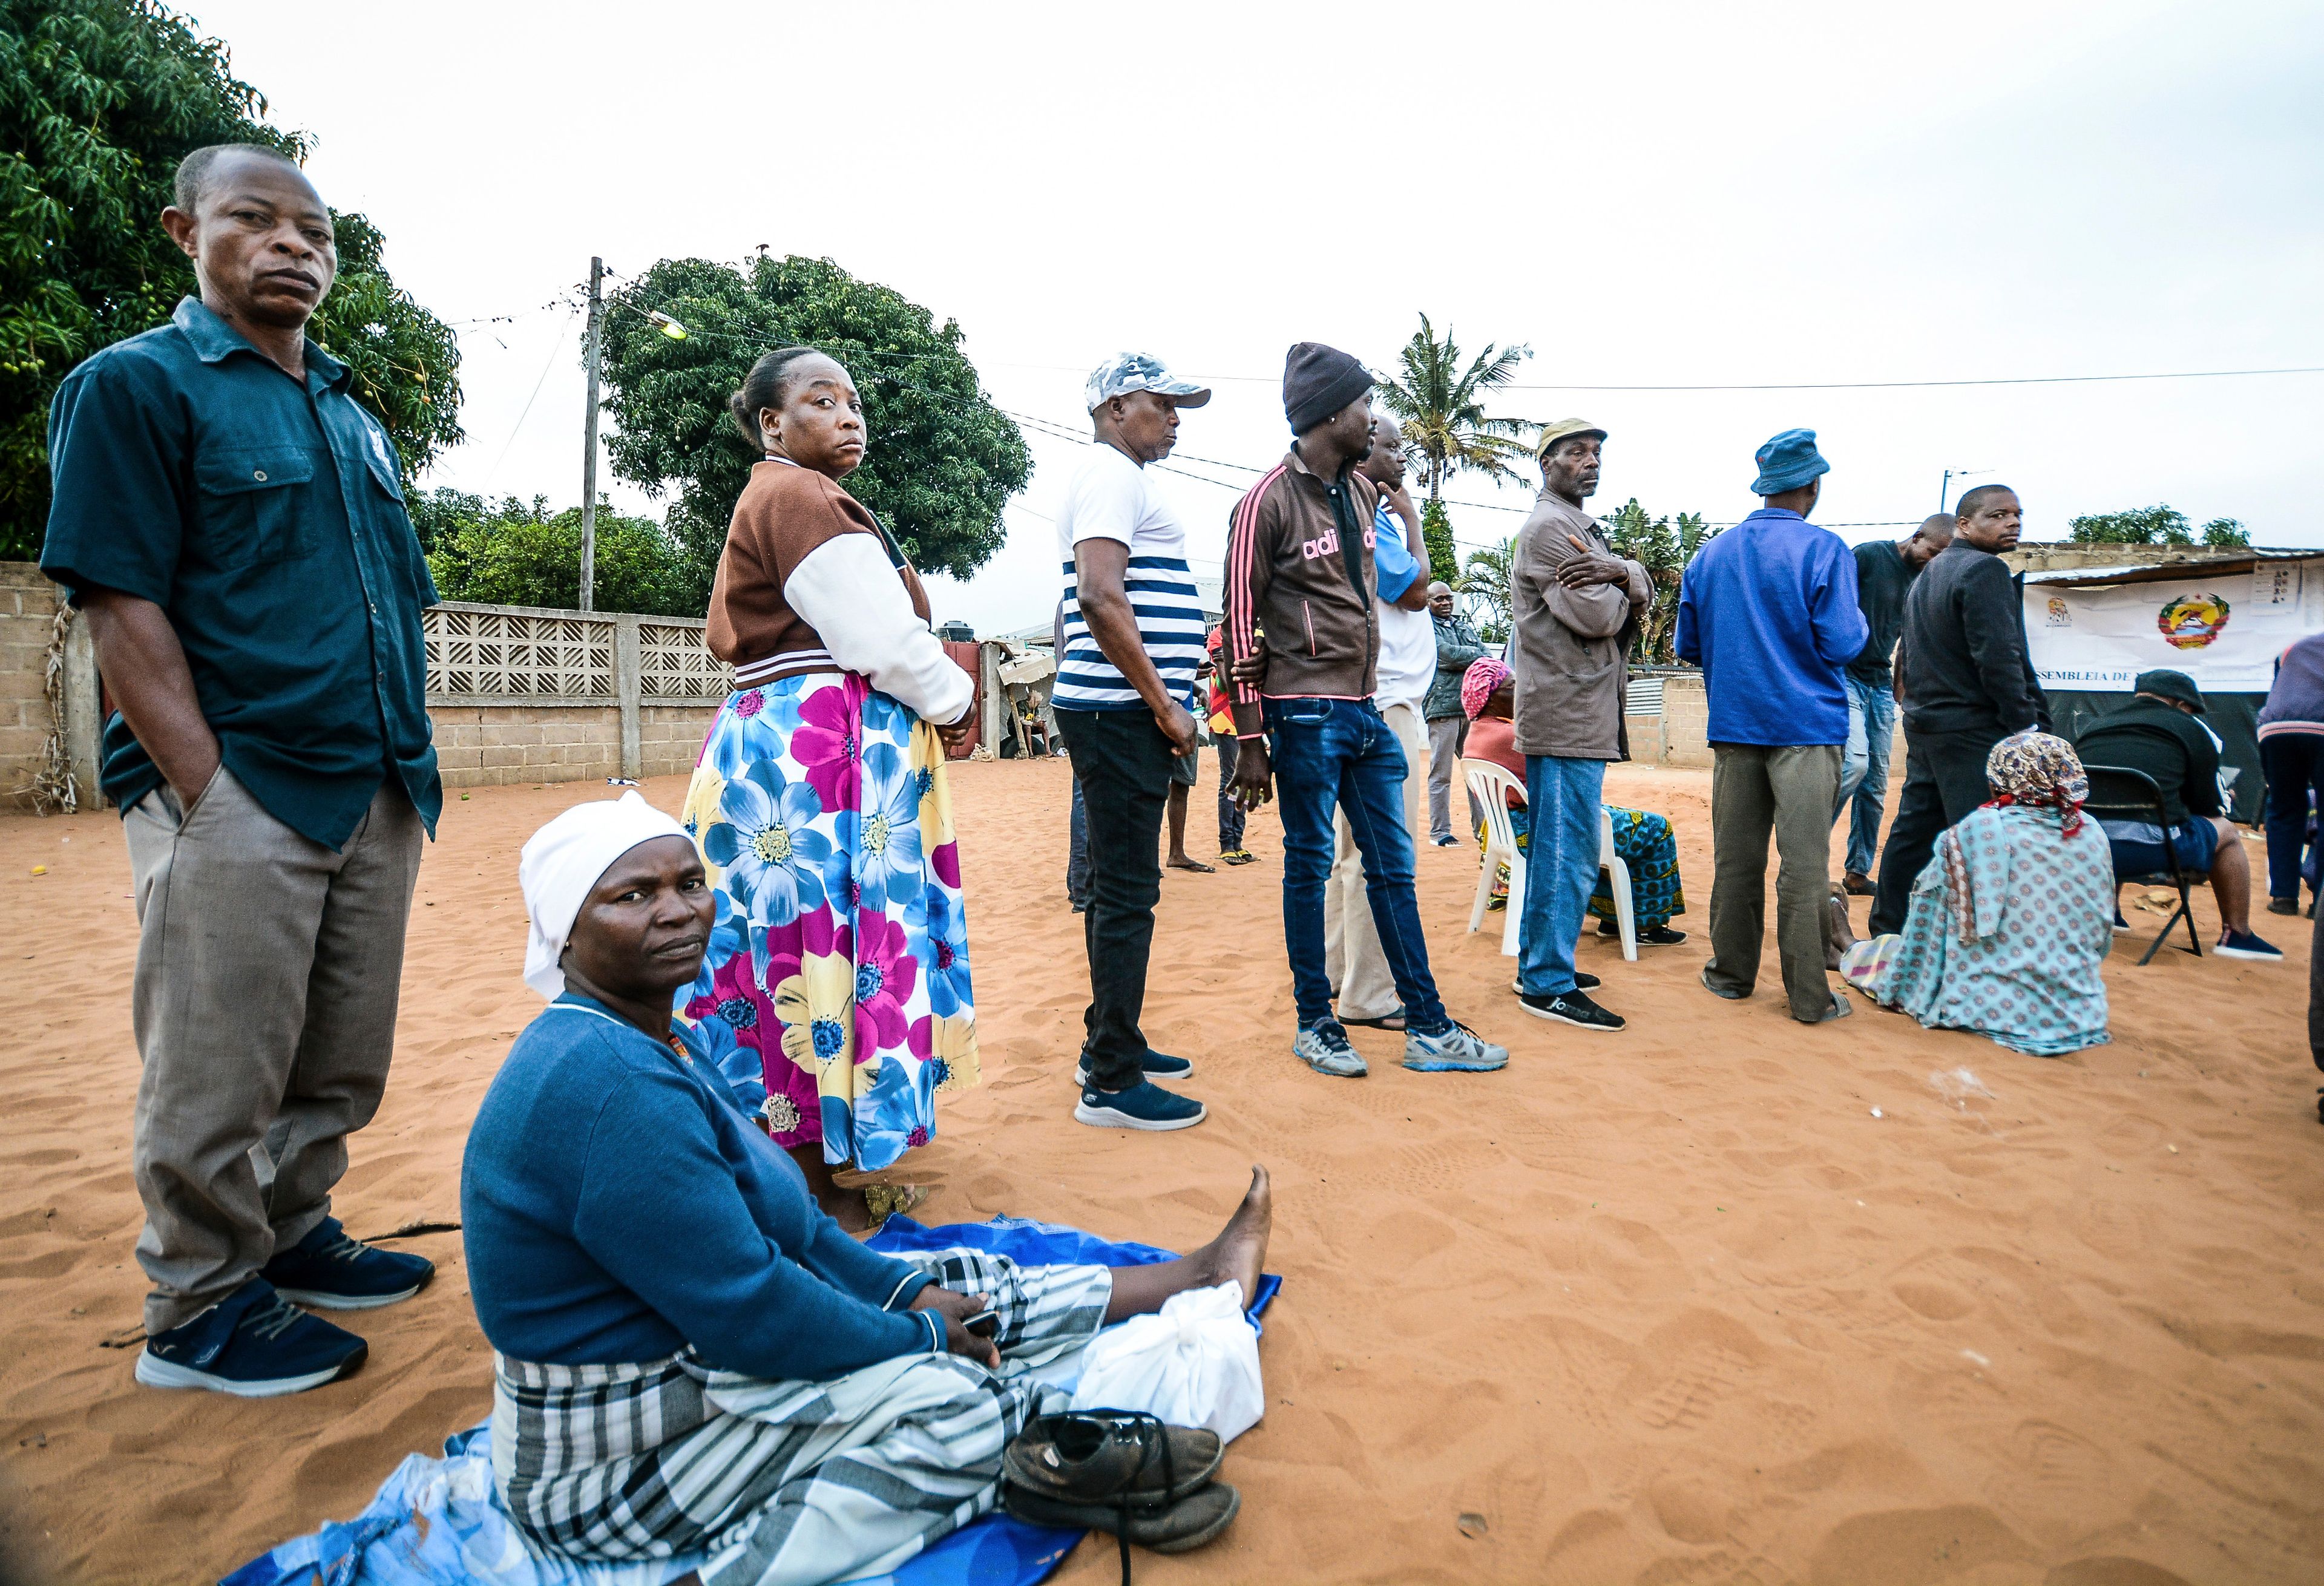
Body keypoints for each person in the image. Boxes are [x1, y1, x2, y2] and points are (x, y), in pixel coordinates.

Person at [465, 795, 1270, 1586]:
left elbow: (803, 1234)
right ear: (566, 933)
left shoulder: (649, 1037)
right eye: (634, 896)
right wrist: (916, 1342)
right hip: (610, 1459)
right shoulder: (607, 1086)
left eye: (690, 884)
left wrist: (910, 1294)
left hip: (694, 1361)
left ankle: (1191, 1282)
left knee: (951, 1285)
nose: (678, 912)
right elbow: (754, 1310)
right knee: (951, 1398)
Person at [44, 144, 438, 1396]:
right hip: (242, 786)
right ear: (183, 231)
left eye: (314, 230)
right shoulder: (134, 386)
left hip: (374, 780)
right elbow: (120, 599)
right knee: (217, 1060)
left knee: (337, 1051)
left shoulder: (348, 410)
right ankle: (199, 1301)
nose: (292, 246)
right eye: (254, 220)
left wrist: (403, 771)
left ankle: (292, 1230)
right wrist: (207, 789)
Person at [681, 346, 983, 1231]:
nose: (850, 416)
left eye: (854, 400)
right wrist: (958, 699)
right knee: (814, 942)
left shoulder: (787, 497)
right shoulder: (796, 497)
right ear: (773, 423)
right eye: (823, 400)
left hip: (786, 757)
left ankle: (803, 1162)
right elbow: (883, 642)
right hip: (811, 770)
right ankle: (804, 1182)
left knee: (789, 944)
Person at [1223, 343, 1507, 1080]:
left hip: (1366, 710)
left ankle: (1428, 1025)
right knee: (1310, 865)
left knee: (1393, 869)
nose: (1374, 418)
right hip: (1302, 712)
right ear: (1328, 414)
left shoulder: (1358, 494)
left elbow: (1379, 595)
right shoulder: (1263, 504)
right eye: (1364, 406)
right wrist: (1251, 738)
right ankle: (1315, 1021)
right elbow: (1239, 625)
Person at [1052, 353, 1212, 1130]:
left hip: (1117, 710)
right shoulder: (1113, 474)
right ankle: (1112, 1082)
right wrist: (1165, 704)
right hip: (1121, 712)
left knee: (1121, 886)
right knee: (1128, 893)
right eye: (1166, 403)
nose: (1177, 419)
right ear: (1118, 405)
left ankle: (1108, 1042)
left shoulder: (1116, 475)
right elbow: (1098, 593)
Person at [1676, 429, 1868, 1023]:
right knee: (1805, 864)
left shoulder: (1710, 555)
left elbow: (1689, 646)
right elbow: (1844, 640)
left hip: (1736, 726)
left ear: (1765, 487)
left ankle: (1730, 975)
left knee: (1737, 859)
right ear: (1813, 485)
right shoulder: (1825, 549)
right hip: (1808, 727)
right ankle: (1810, 997)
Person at [1505, 419, 1656, 1032]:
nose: (1589, 461)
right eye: (1575, 452)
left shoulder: (1577, 530)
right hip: (1567, 710)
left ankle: (1541, 963)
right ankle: (1546, 981)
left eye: (1595, 453)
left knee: (1557, 847)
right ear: (1546, 463)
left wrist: (1622, 569)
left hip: (1576, 707)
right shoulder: (1551, 531)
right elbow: (1598, 617)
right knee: (1568, 850)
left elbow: (1625, 589)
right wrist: (1627, 578)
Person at [1833, 732, 2112, 1055]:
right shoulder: (2091, 833)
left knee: (1890, 956)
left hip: (1980, 1007)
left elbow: (1928, 922)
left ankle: (1846, 945)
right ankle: (1845, 944)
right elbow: (2100, 932)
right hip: (2077, 1013)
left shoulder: (1980, 831)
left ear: (2000, 781)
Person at [1869, 485, 2048, 936]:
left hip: (1928, 724)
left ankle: (1889, 929)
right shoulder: (1985, 570)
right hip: (1971, 729)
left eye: (2016, 515)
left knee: (1915, 829)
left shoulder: (1930, 574)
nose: (2012, 523)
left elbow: (1908, 656)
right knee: (1979, 839)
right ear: (1964, 524)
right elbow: (2000, 657)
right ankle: (1980, 939)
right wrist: (2024, 725)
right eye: (1998, 515)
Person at [1322, 412, 1437, 1031]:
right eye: (1391, 446)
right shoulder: (1376, 517)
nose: (1402, 458)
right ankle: (1370, 993)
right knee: (1382, 856)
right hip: (1386, 703)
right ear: (1362, 453)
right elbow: (1412, 590)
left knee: (1348, 855)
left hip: (1357, 698)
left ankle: (1341, 978)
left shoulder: (1335, 507)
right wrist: (1413, 518)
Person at [1461, 658, 1689, 945]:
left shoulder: (1478, 732)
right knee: (1657, 829)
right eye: (1512, 686)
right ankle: (1644, 925)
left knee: (1618, 822)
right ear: (1491, 698)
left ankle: (1614, 919)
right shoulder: (1513, 736)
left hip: (1507, 829)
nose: (1520, 690)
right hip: (1542, 831)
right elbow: (1567, 777)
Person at [2076, 669, 2282, 961]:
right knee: (2227, 831)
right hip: (2152, 852)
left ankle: (2111, 914)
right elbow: (2207, 805)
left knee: (2113, 815)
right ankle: (2238, 934)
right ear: (2180, 703)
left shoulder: (2095, 727)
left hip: (2085, 849)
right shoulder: (2190, 729)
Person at [1835, 514, 1957, 894]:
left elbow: (1907, 640)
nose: (1933, 562)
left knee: (1875, 785)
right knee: (1855, 764)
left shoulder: (1924, 580)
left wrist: (1899, 690)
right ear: (1918, 536)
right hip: (1845, 676)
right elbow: (1833, 603)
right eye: (1932, 552)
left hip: (1878, 685)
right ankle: (1806, 836)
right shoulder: (1870, 556)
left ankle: (1858, 871)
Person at [2257, 633, 2324, 916]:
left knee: (2284, 810)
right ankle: (2320, 902)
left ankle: (2283, 897)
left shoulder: (2296, 646)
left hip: (2276, 727)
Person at [1425, 582, 1487, 845]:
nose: (1445, 603)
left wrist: (1469, 656)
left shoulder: (1462, 626)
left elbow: (1486, 655)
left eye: (1448, 598)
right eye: (1439, 599)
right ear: (1427, 602)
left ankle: (1484, 831)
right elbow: (1446, 656)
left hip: (1470, 710)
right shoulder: (1424, 628)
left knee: (1478, 773)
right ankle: (1440, 832)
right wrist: (1473, 656)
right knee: (1442, 774)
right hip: (1442, 709)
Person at [1206, 626, 1256, 864]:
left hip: (1247, 717)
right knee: (1230, 779)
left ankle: (1237, 842)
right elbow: (1226, 681)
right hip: (1225, 717)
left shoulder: (1248, 635)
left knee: (1245, 780)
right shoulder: (1218, 636)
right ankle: (1227, 843)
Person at [1165, 670, 1215, 874]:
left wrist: (1199, 689)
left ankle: (1177, 853)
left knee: (1181, 786)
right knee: (1149, 788)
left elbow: (1179, 672)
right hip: (1159, 716)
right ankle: (1146, 857)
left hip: (1185, 719)